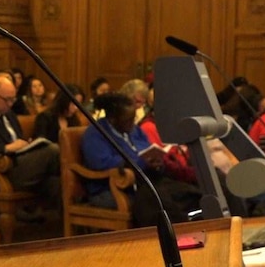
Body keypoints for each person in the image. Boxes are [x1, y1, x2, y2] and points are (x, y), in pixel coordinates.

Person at [81, 92, 203, 227]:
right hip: (113, 188)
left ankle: (190, 228)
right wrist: (139, 162)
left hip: (148, 179)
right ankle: (172, 237)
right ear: (113, 119)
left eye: (133, 118)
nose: (132, 123)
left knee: (190, 192)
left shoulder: (134, 130)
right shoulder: (95, 134)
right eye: (127, 120)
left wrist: (156, 161)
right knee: (157, 201)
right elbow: (100, 163)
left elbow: (147, 149)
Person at [0, 76, 62, 207]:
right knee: (53, 150)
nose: (11, 104)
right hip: (1, 172)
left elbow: (18, 139)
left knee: (59, 183)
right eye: (7, 100)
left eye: (13, 99)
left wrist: (27, 144)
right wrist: (5, 148)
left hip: (23, 164)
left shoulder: (9, 114)